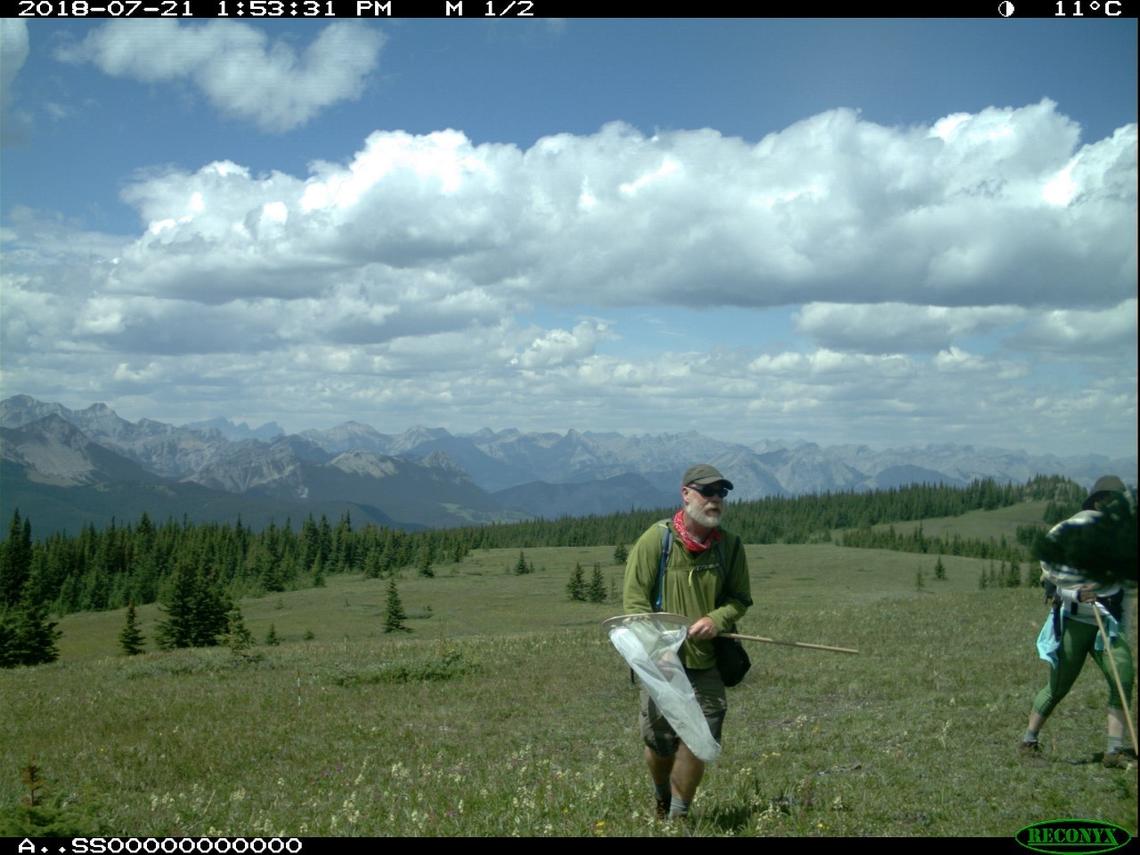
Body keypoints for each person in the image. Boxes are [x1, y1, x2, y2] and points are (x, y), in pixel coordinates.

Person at [623, 463, 752, 821]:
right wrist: (657, 650)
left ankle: (678, 817)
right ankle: (662, 797)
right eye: (707, 492)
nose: (715, 500)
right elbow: (634, 604)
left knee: (701, 738)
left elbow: (740, 598)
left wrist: (716, 619)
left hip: (707, 661)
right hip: (661, 664)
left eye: (721, 493)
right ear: (686, 494)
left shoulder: (730, 546)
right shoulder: (657, 541)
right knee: (659, 743)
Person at [1020, 475, 1136, 768]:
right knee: (1059, 686)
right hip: (1075, 621)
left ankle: (1114, 751)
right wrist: (1077, 592)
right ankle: (1029, 740)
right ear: (1098, 502)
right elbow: (1052, 583)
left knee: (1122, 679)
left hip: (1108, 624)